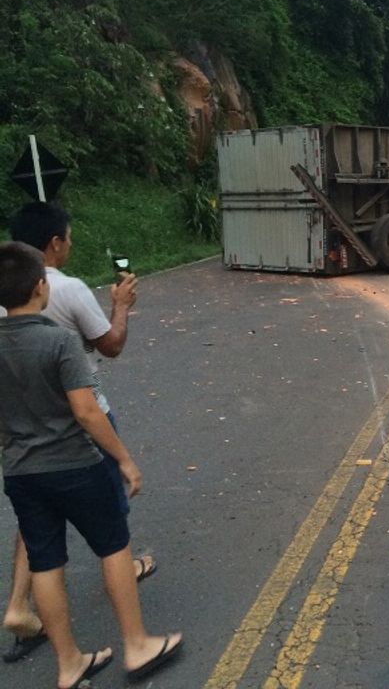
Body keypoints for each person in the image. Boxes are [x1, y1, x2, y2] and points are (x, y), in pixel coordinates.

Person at [0, 241, 183, 688]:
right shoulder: (58, 340)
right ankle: (137, 645)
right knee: (113, 545)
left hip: (22, 473)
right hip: (76, 465)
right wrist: (124, 458)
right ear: (40, 286)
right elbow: (85, 411)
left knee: (45, 562)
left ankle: (69, 665)